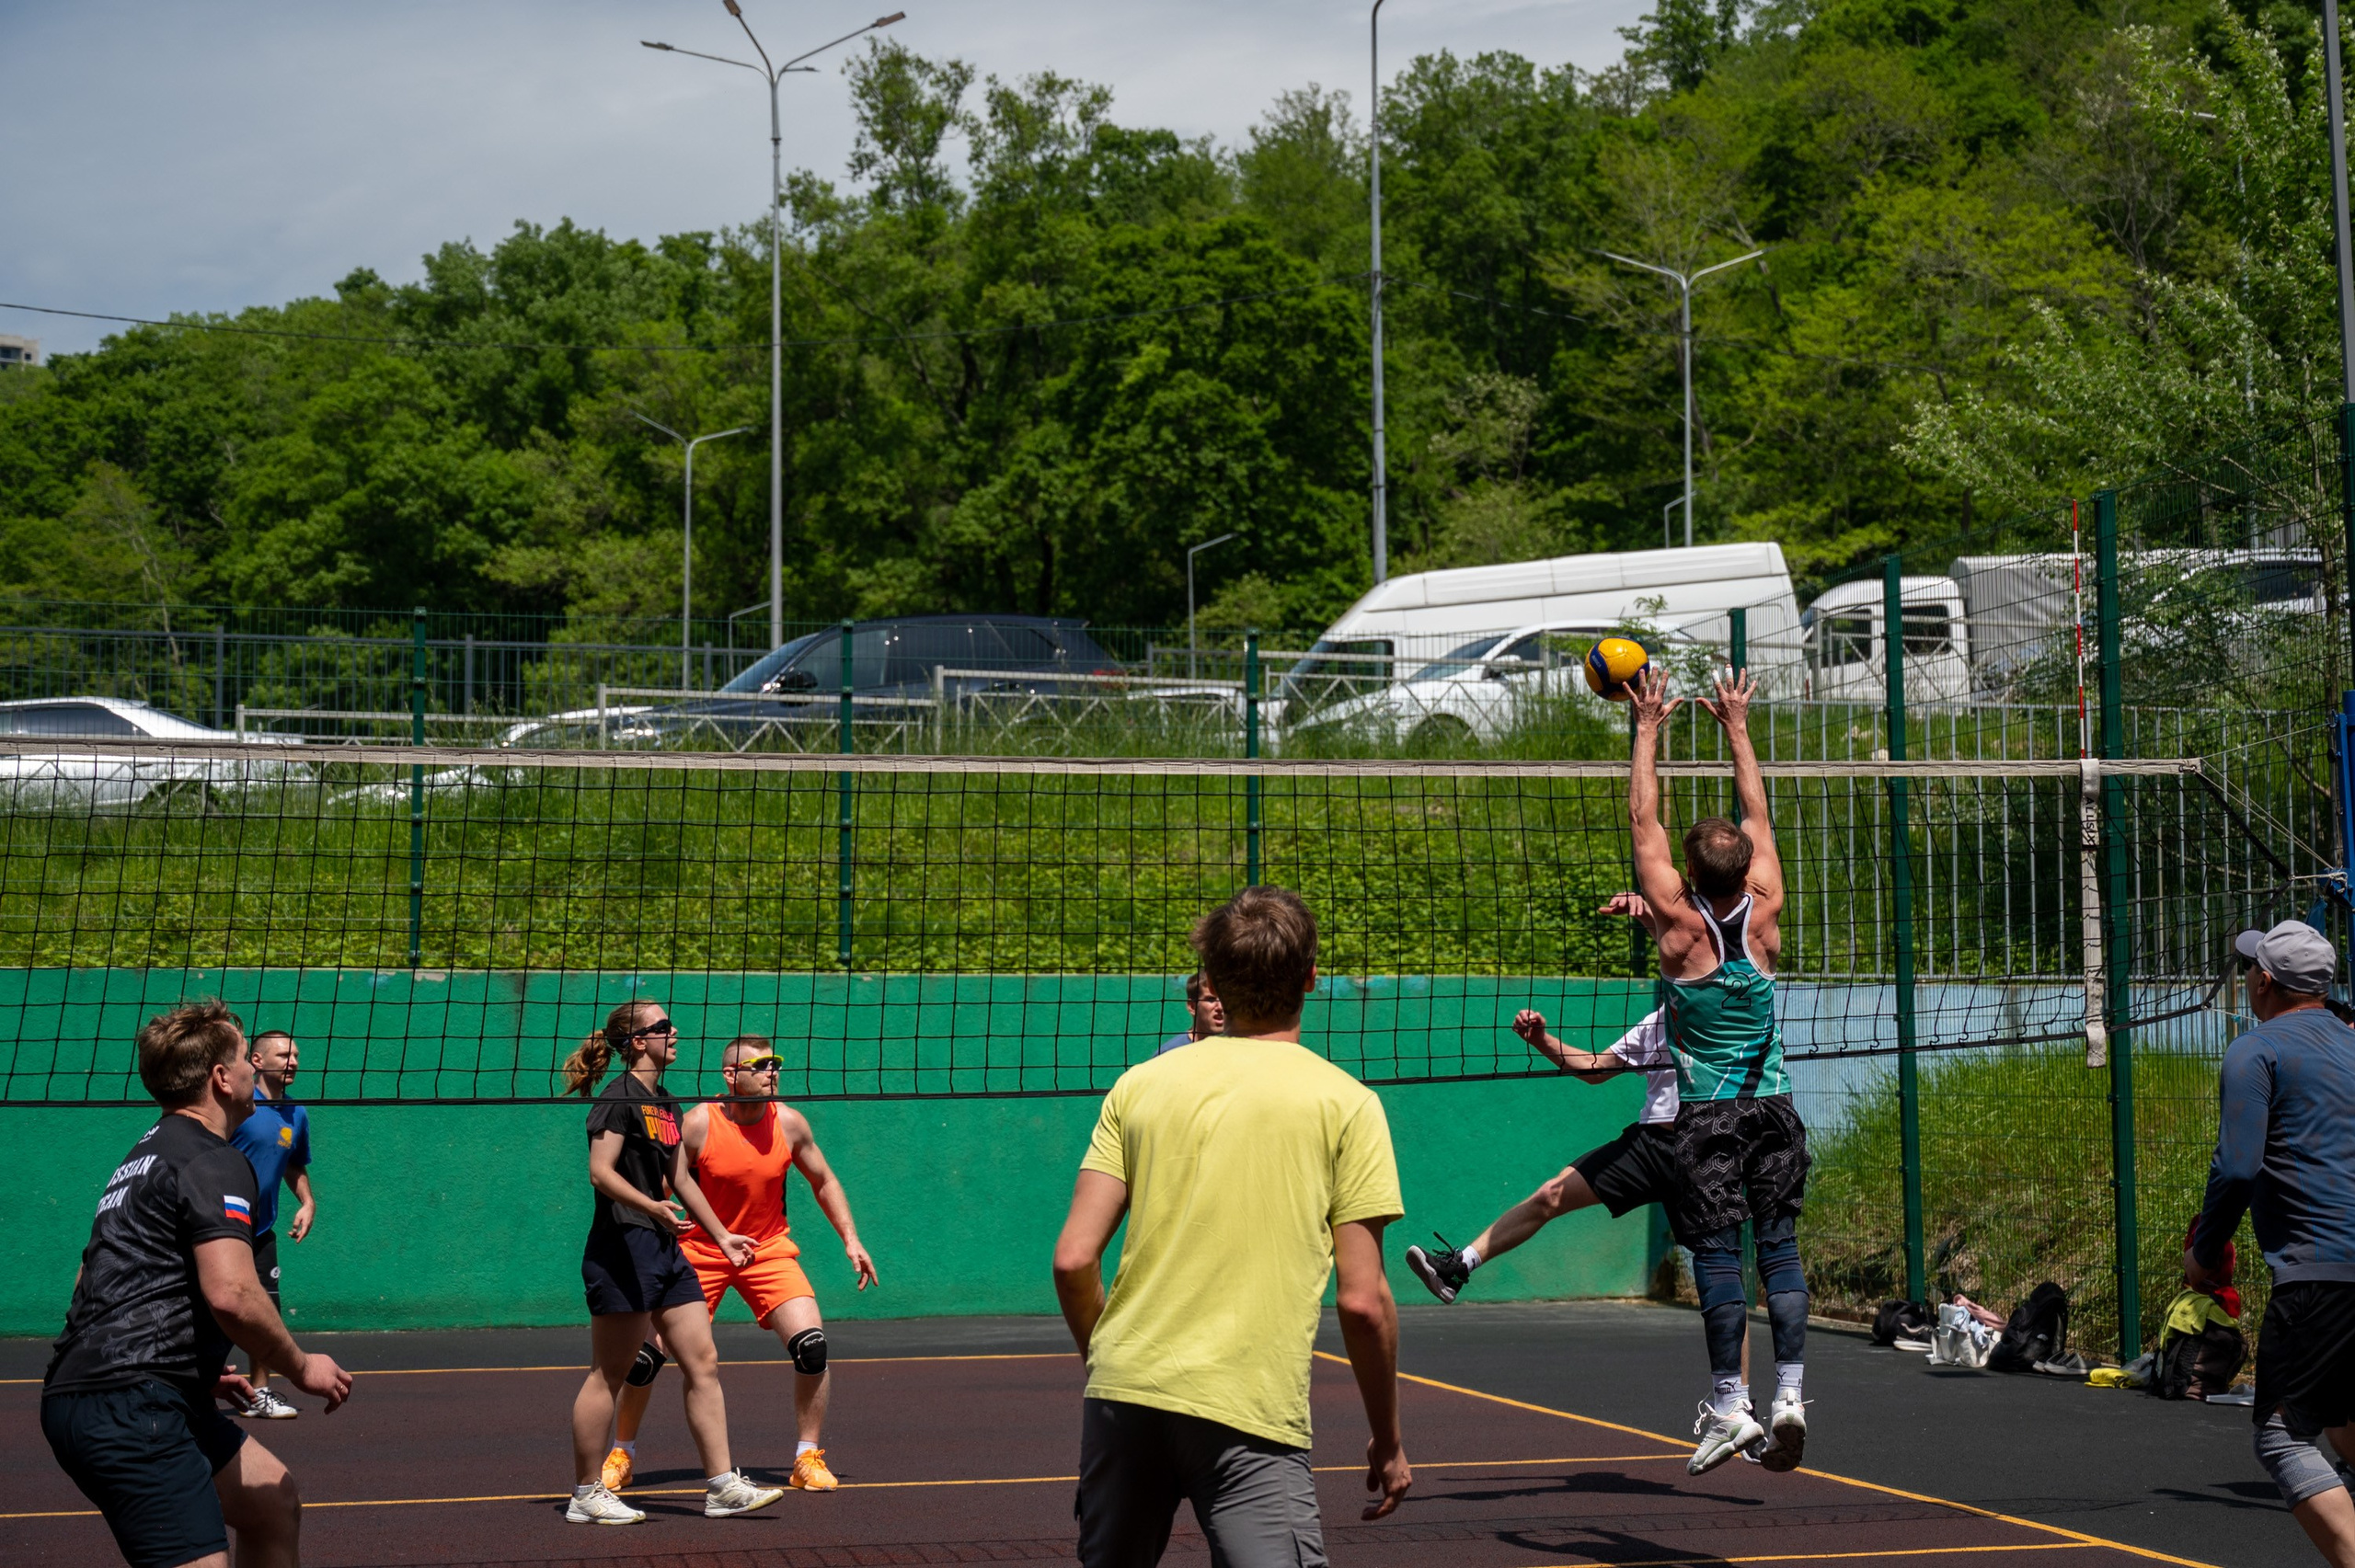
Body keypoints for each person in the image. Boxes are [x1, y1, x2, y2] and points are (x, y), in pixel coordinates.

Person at [1053, 885, 1412, 1568]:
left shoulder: (1138, 1085)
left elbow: (1073, 1260)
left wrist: (1111, 1369)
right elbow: (1364, 1302)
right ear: (1311, 976)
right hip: (1246, 1408)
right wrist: (1386, 1438)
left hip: (1123, 1392)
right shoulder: (1349, 1104)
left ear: (1210, 982)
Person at [42, 1000, 353, 1568]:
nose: (253, 1072)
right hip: (130, 1406)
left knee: (270, 1499)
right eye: (244, 1060)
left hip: (122, 1389)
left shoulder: (142, 1154)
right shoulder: (214, 1159)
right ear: (221, 1078)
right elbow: (231, 1293)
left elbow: (94, 1276)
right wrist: (301, 1365)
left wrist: (191, 1368)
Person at [1626, 666, 1810, 1476]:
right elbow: (1759, 812)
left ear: (1690, 876)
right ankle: (1792, 1392)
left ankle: (1732, 1405)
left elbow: (1643, 819)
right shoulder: (1766, 904)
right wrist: (1737, 722)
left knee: (1714, 1253)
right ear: (1744, 871)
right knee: (1779, 1249)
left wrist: (1646, 727)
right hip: (1771, 1106)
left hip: (1705, 1118)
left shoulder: (1673, 918)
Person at [599, 1035, 879, 1496]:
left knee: (812, 1349)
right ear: (730, 1076)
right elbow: (663, 1187)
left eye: (776, 1064)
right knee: (645, 1360)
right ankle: (622, 1453)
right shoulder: (697, 1124)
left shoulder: (788, 1123)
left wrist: (852, 1239)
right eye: (762, 1065)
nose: (773, 1072)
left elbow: (823, 1179)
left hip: (767, 1250)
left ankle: (805, 1458)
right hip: (700, 1252)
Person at [562, 1000, 784, 1526]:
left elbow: (682, 1179)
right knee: (609, 1374)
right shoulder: (618, 1099)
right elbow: (601, 1172)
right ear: (638, 1041)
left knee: (702, 1361)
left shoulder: (664, 1101)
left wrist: (724, 1235)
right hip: (623, 1248)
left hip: (665, 1248)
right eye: (662, 1028)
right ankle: (585, 1493)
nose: (674, 1032)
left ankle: (722, 1486)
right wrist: (650, 1206)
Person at [2189, 921, 2355, 1566]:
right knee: (2343, 1419)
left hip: (2321, 1275)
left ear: (2264, 981)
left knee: (2283, 1439)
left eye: (2251, 967)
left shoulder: (2255, 1050)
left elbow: (2236, 1167)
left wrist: (2205, 1253)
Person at [1406, 990, 1677, 1304]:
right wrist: (1540, 1040)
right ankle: (1458, 1268)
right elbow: (1598, 1068)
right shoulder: (1660, 1020)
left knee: (1718, 1276)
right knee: (1550, 1195)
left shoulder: (1733, 1009)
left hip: (1708, 1146)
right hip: (1650, 1147)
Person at [227, 1028, 314, 1421]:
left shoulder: (297, 1113)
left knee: (266, 1311)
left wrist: (307, 1201)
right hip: (221, 1226)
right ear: (257, 1061)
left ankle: (259, 1393)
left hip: (262, 1230)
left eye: (295, 1055)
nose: (292, 1061)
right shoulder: (239, 1106)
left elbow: (293, 1163)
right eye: (283, 1055)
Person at [1156, 971, 1225, 1055]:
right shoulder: (1169, 1053)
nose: (1220, 1007)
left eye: (1224, 999)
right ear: (1192, 1007)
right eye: (1210, 1000)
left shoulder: (1240, 1049)